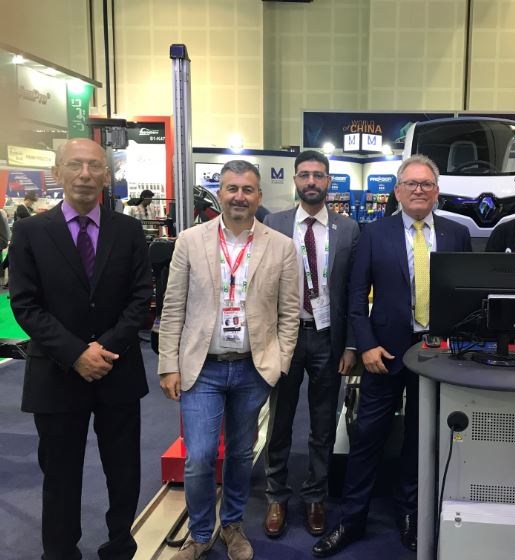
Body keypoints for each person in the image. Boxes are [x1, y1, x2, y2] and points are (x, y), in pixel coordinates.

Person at [313, 154, 472, 557]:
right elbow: (355, 295)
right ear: (398, 191)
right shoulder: (374, 233)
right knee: (367, 437)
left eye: (426, 184)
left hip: (436, 356)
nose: (419, 190)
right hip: (382, 353)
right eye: (411, 184)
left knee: (421, 440)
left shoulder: (456, 235)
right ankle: (352, 520)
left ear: (437, 191)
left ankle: (410, 515)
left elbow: (466, 296)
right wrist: (365, 344)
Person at [8, 138, 151, 560]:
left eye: (94, 166)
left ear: (107, 175)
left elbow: (140, 297)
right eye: (75, 165)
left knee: (124, 473)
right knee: (60, 475)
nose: (85, 174)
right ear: (57, 173)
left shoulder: (128, 231)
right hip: (56, 374)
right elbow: (25, 304)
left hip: (117, 370)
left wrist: (103, 349)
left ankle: (120, 546)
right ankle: (59, 551)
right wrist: (75, 353)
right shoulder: (31, 232)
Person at [158, 160, 300, 560]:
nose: (239, 196)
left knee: (240, 454)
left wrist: (280, 362)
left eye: (248, 189)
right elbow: (173, 306)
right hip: (202, 367)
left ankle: (233, 525)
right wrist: (169, 364)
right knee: (200, 456)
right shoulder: (190, 241)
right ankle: (201, 532)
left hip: (253, 368)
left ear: (259, 196)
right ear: (220, 193)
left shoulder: (281, 246)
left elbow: (290, 313)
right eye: (232, 188)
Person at [261, 150, 360, 538]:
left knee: (322, 423)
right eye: (305, 175)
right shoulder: (274, 223)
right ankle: (276, 495)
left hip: (327, 339)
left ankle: (315, 496)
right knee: (280, 421)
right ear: (295, 180)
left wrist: (351, 345)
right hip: (285, 336)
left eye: (319, 175)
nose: (312, 182)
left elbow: (354, 291)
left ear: (329, 181)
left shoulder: (348, 229)